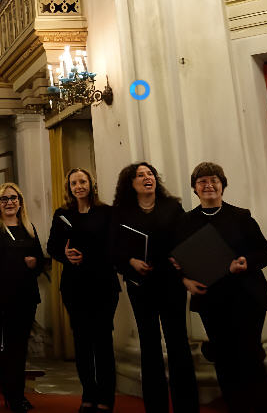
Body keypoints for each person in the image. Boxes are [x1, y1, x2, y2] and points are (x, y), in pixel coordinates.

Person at [173, 162, 267, 413]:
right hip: (213, 300)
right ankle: (236, 406)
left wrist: (246, 262)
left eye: (214, 180)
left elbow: (265, 252)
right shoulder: (186, 221)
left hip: (247, 297)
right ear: (194, 188)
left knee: (250, 356)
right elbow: (178, 261)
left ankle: (263, 408)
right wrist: (184, 279)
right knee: (224, 358)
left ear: (222, 185)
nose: (208, 185)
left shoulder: (241, 216)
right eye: (202, 181)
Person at [111, 163, 198, 413]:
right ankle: (156, 406)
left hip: (170, 283)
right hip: (141, 286)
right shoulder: (121, 213)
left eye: (149, 174)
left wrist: (181, 261)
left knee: (178, 342)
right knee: (149, 345)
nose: (146, 178)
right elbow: (113, 248)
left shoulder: (172, 206)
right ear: (131, 183)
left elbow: (186, 240)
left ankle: (186, 406)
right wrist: (130, 261)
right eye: (140, 175)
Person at [47, 168, 119, 413]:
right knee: (82, 342)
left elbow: (113, 246)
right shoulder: (62, 214)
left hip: (102, 285)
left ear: (91, 184)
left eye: (83, 181)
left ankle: (106, 397)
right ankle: (88, 393)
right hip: (74, 287)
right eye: (74, 183)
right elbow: (53, 246)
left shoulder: (106, 213)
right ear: (69, 187)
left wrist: (89, 255)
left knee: (102, 342)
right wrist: (65, 255)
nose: (79, 186)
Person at [0, 183, 44, 413]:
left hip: (26, 297)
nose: (9, 202)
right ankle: (10, 395)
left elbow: (40, 260)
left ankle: (18, 396)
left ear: (20, 202)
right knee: (7, 349)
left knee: (20, 349)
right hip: (2, 298)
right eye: (4, 199)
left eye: (13, 198)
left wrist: (35, 263)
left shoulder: (29, 228)